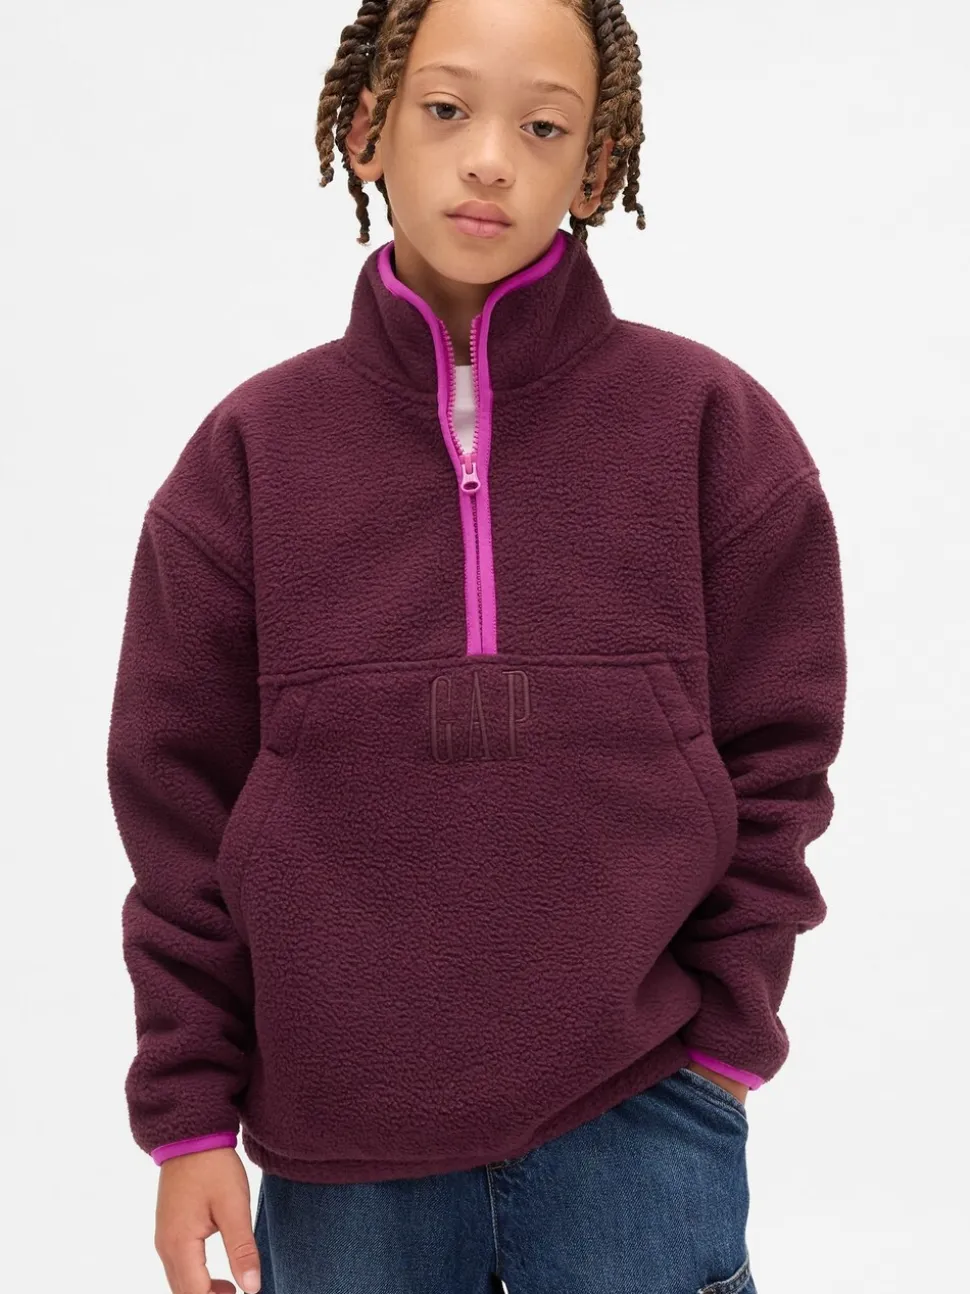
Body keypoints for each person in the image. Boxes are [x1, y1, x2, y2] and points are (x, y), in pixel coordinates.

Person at [105, 0, 847, 1291]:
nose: (491, 158)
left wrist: (724, 1044)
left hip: (640, 1118)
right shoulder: (249, 459)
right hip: (342, 1153)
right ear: (366, 129)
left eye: (543, 126)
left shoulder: (708, 430)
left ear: (597, 164)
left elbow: (780, 761)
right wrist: (187, 1116)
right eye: (446, 109)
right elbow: (176, 815)